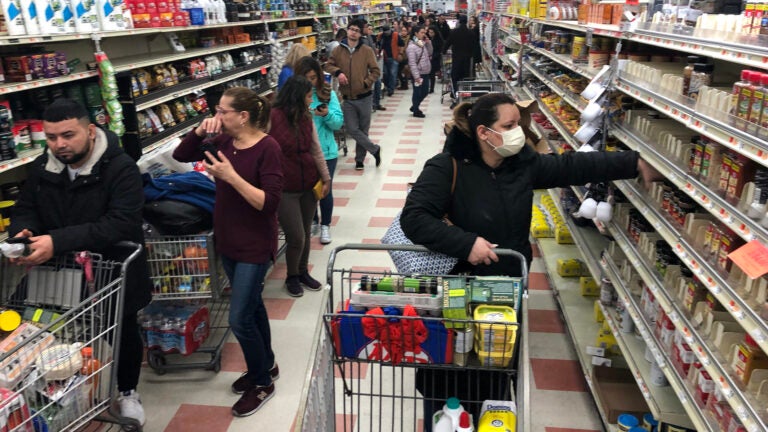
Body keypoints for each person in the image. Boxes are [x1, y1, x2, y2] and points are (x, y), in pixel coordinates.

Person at [399, 93, 662, 431]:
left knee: (497, 374)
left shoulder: (521, 165)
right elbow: (415, 218)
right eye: (508, 126)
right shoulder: (446, 166)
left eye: (518, 125)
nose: (518, 133)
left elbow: (572, 166)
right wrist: (466, 244)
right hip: (457, 291)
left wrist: (633, 163)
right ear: (483, 132)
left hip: (506, 292)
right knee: (451, 372)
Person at [9, 98, 153, 426]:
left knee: (120, 329)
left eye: (68, 135)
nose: (59, 144)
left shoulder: (121, 168)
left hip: (111, 268)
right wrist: (22, 231)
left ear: (90, 131)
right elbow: (25, 206)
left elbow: (121, 223)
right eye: (51, 137)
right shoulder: (43, 167)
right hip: (56, 267)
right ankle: (40, 389)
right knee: (21, 322)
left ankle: (128, 391)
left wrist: (56, 240)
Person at [173, 87, 281, 417]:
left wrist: (231, 177)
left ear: (243, 116)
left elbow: (268, 203)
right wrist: (199, 130)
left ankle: (262, 382)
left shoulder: (268, 148)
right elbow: (181, 155)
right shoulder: (222, 142)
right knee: (253, 307)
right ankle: (268, 364)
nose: (216, 116)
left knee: (239, 318)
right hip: (228, 239)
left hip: (255, 243)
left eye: (222, 111)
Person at [271, 76, 331, 296]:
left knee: (306, 232)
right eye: (308, 96)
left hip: (307, 183)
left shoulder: (306, 117)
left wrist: (326, 178)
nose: (311, 100)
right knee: (296, 236)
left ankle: (302, 271)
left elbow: (315, 149)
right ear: (297, 96)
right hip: (285, 187)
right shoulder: (272, 117)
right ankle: (291, 277)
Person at [295, 57, 344, 245]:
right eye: (306, 78)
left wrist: (326, 114)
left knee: (325, 189)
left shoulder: (326, 93)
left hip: (326, 151)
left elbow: (338, 123)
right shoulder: (295, 96)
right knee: (307, 189)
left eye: (313, 77)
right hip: (303, 152)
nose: (310, 82)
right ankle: (313, 220)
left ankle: (325, 225)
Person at [324, 18, 382, 171]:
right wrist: (338, 72)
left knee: (363, 130)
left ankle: (359, 160)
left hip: (365, 97)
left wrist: (366, 82)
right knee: (351, 129)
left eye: (357, 30)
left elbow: (376, 71)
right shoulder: (338, 50)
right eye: (352, 29)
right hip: (347, 98)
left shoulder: (366, 51)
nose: (354, 33)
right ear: (347, 30)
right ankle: (374, 149)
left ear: (360, 33)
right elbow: (328, 65)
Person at [443, 14, 476, 104]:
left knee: (455, 77)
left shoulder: (454, 32)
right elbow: (474, 46)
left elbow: (448, 43)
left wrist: (444, 51)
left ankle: (455, 94)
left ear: (459, 21)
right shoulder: (471, 33)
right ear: (466, 22)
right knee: (465, 77)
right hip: (467, 60)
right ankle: (464, 94)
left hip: (456, 58)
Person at [406, 25, 432, 118]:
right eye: (422, 32)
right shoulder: (411, 47)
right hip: (418, 74)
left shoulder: (421, 43)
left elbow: (430, 53)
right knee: (417, 92)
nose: (424, 34)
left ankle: (414, 106)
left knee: (425, 91)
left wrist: (428, 43)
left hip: (425, 72)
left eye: (424, 32)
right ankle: (416, 110)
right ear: (416, 34)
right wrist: (416, 77)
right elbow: (412, 63)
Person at [362, 22, 386, 112]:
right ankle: (371, 105)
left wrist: (376, 54)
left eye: (371, 29)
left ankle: (377, 103)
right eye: (368, 29)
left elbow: (372, 50)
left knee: (378, 84)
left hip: (374, 65)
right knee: (371, 87)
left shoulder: (369, 38)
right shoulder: (361, 40)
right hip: (367, 67)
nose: (370, 31)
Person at [378, 25, 404, 97]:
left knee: (393, 74)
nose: (386, 33)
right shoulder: (380, 36)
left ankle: (390, 89)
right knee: (385, 74)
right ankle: (387, 86)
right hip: (383, 58)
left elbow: (402, 44)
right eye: (385, 32)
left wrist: (400, 54)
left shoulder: (395, 35)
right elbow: (378, 45)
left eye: (388, 32)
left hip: (394, 57)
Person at [427, 25, 444, 94]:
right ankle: (430, 88)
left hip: (435, 58)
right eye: (429, 32)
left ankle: (431, 88)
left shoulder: (438, 40)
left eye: (432, 32)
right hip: (430, 58)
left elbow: (439, 50)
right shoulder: (430, 39)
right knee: (430, 74)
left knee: (432, 74)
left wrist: (433, 56)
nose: (430, 34)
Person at [397, 23, 411, 91]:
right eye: (402, 30)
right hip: (400, 57)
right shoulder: (398, 38)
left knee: (405, 70)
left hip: (407, 57)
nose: (403, 32)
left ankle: (405, 85)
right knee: (399, 71)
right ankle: (403, 84)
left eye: (405, 31)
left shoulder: (410, 38)